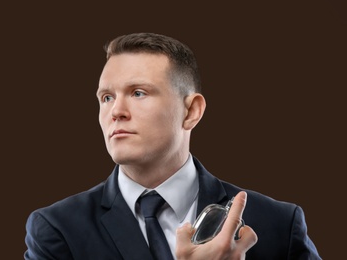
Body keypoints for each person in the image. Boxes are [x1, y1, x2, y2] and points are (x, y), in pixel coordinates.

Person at [24, 32, 321, 259]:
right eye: (107, 97)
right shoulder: (57, 229)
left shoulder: (277, 223)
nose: (116, 111)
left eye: (138, 93)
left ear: (191, 111)